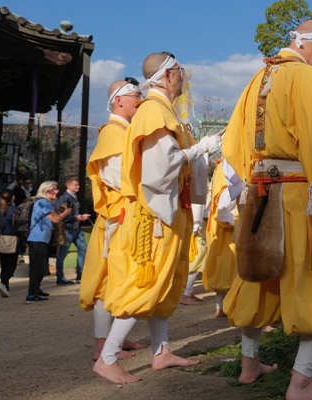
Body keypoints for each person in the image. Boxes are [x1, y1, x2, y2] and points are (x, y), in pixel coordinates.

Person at [221, 21, 312, 399]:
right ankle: (301, 381)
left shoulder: (256, 81)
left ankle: (249, 363)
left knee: (258, 279)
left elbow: (231, 147)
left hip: (259, 194)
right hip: (300, 197)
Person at [95, 52, 220, 384]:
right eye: (179, 71)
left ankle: (161, 352)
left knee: (165, 286)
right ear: (167, 76)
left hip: (167, 213)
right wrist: (202, 147)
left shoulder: (161, 110)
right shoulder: (153, 111)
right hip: (154, 218)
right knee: (146, 285)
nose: (183, 77)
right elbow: (160, 169)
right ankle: (107, 358)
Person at [79, 78, 147, 362]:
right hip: (118, 217)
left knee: (119, 276)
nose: (140, 99)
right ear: (119, 100)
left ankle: (111, 337)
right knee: (111, 278)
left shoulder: (126, 131)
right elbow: (119, 180)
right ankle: (102, 345)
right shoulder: (112, 133)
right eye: (136, 95)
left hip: (127, 215)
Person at [203, 157, 239, 318]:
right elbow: (227, 197)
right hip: (229, 223)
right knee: (231, 266)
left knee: (221, 263)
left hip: (218, 223)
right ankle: (233, 308)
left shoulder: (219, 167)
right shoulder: (231, 164)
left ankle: (220, 306)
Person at [26, 182, 72, 303]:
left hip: (41, 239)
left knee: (42, 266)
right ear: (44, 191)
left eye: (56, 189)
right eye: (53, 189)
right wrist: (66, 213)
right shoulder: (43, 202)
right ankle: (31, 294)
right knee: (37, 267)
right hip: (37, 238)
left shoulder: (43, 202)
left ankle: (36, 289)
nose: (56, 191)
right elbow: (56, 219)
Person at [54, 177, 90, 285]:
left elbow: (74, 212)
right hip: (67, 230)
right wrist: (76, 218)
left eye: (78, 185)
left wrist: (81, 216)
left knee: (83, 249)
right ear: (68, 186)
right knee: (62, 254)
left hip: (77, 229)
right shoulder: (65, 198)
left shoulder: (74, 198)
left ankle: (81, 274)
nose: (78, 186)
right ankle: (60, 277)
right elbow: (62, 215)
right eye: (75, 185)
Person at [181, 181, 210, 306]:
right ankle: (185, 293)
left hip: (199, 221)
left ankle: (188, 292)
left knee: (199, 256)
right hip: (197, 223)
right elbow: (198, 201)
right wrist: (196, 222)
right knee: (197, 257)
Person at [0, 189, 19, 297]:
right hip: (12, 241)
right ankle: (3, 283)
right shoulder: (15, 211)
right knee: (11, 266)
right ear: (13, 198)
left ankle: (5, 287)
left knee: (4, 265)